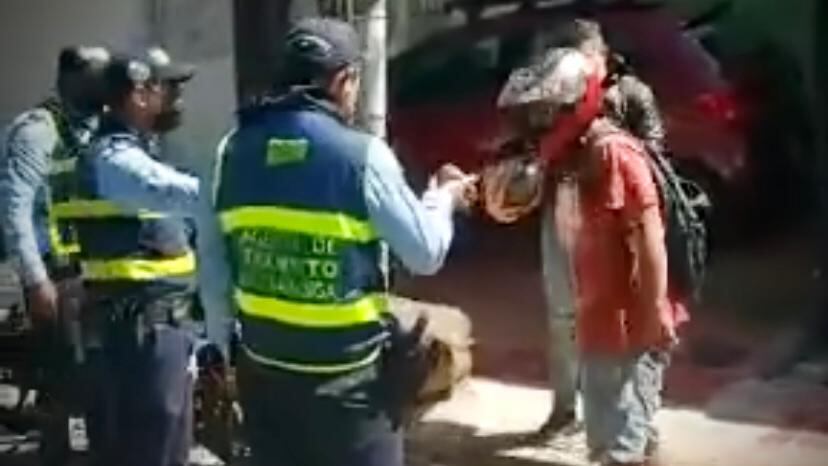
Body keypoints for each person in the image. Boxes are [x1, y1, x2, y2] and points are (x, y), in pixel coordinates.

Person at [198, 17, 477, 466]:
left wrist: (224, 348)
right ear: (345, 81)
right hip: (350, 391)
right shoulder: (362, 156)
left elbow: (212, 268)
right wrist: (442, 198)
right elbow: (424, 253)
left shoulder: (231, 150)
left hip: (264, 379)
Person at [495, 48, 686, 466]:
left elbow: (650, 235)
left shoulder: (614, 153)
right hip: (600, 325)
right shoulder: (571, 158)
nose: (537, 124)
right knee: (613, 443)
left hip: (627, 328)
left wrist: (654, 313)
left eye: (545, 113)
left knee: (620, 449)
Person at [533, 18, 668, 438]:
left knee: (623, 315)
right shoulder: (552, 96)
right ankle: (564, 409)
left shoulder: (631, 94)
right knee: (562, 314)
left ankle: (635, 424)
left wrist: (603, 152)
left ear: (601, 58)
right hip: (564, 210)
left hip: (615, 219)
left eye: (585, 61)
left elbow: (655, 155)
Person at [71, 47, 201, 466]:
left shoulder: (140, 152)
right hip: (136, 336)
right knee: (149, 452)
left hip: (154, 332)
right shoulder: (116, 160)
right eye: (170, 87)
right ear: (139, 94)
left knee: (160, 448)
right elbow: (185, 194)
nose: (177, 98)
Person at [0, 45, 110, 466]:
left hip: (101, 273)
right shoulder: (37, 131)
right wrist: (34, 280)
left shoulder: (101, 127)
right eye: (97, 78)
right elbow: (15, 211)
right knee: (65, 386)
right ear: (71, 80)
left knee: (101, 382)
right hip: (59, 276)